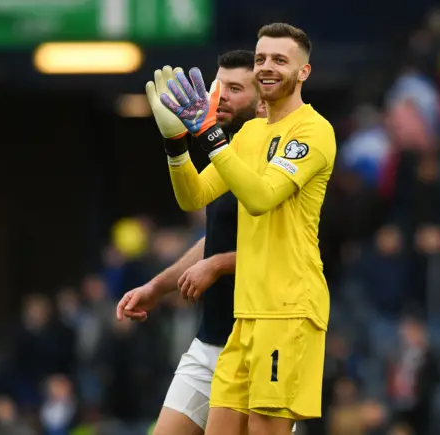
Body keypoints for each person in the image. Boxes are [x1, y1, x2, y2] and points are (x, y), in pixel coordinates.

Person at [159, 23, 337, 435]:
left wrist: (209, 134)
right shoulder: (252, 133)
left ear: (303, 72)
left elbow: (260, 197)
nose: (266, 67)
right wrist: (177, 144)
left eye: (279, 59)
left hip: (289, 310)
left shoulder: (313, 131)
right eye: (260, 59)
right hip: (246, 315)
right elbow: (195, 196)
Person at [115, 50, 265, 435]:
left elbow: (286, 251)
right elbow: (212, 240)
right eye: (219, 86)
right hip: (210, 339)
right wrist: (156, 287)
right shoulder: (225, 157)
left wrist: (216, 265)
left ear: (263, 101)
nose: (222, 96)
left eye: (235, 88)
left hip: (261, 343)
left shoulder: (276, 159)